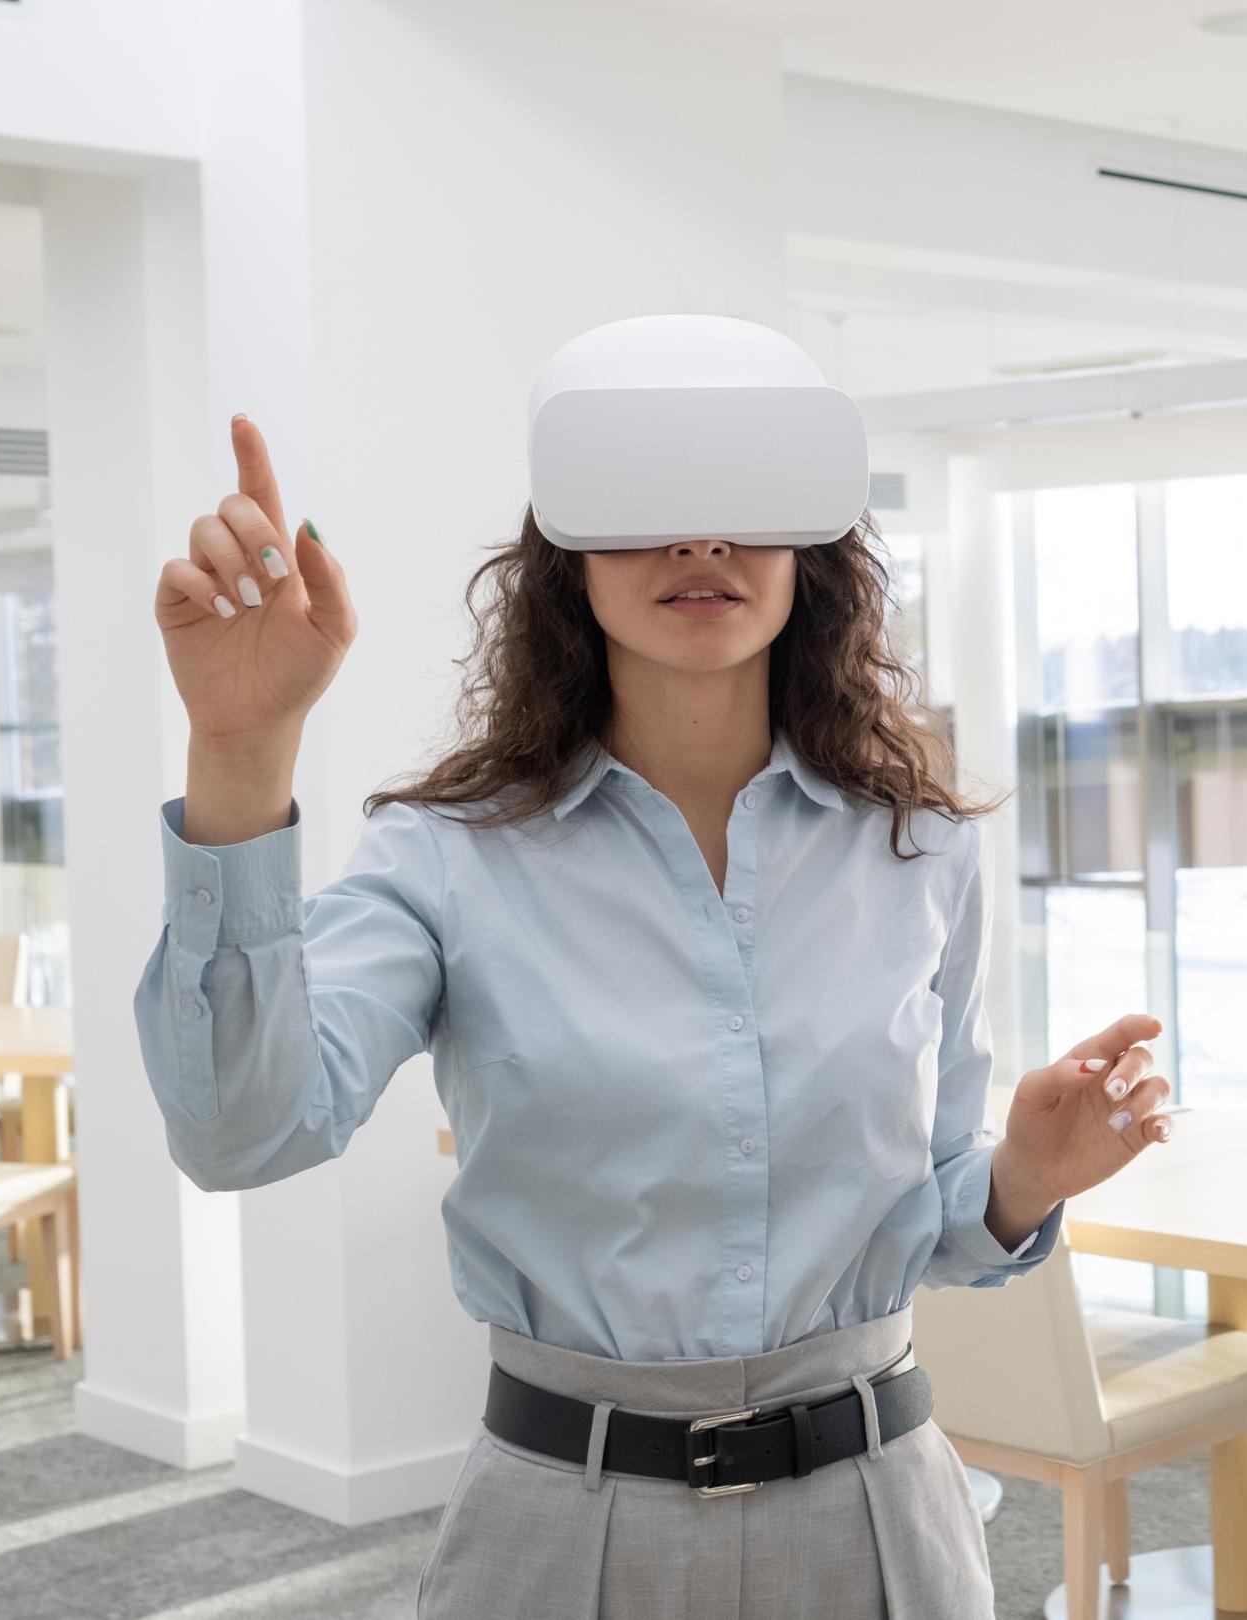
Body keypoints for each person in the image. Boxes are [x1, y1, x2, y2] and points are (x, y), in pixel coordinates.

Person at [133, 332, 1171, 1614]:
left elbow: (929, 1219)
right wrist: (243, 748)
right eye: (642, 504)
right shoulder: (451, 858)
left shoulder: (924, 851)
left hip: (877, 1515)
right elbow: (240, 1134)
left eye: (745, 501)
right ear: (566, 557)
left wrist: (1025, 1181)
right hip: (561, 1530)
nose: (700, 542)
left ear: (814, 548)